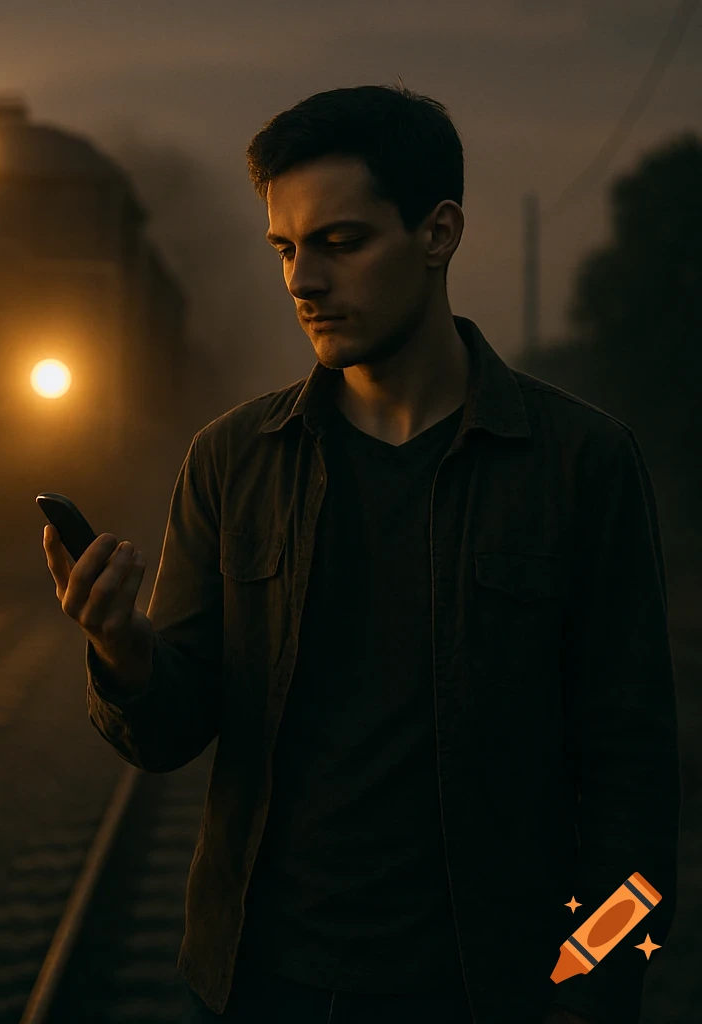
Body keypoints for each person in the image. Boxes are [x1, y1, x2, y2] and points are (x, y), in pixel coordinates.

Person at [43, 83, 680, 1024]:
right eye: (286, 249)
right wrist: (123, 655)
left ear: (439, 233)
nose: (303, 281)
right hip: (265, 984)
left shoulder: (581, 464)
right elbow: (168, 733)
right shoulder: (233, 460)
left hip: (489, 990)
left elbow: (638, 785)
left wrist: (589, 986)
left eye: (340, 243)